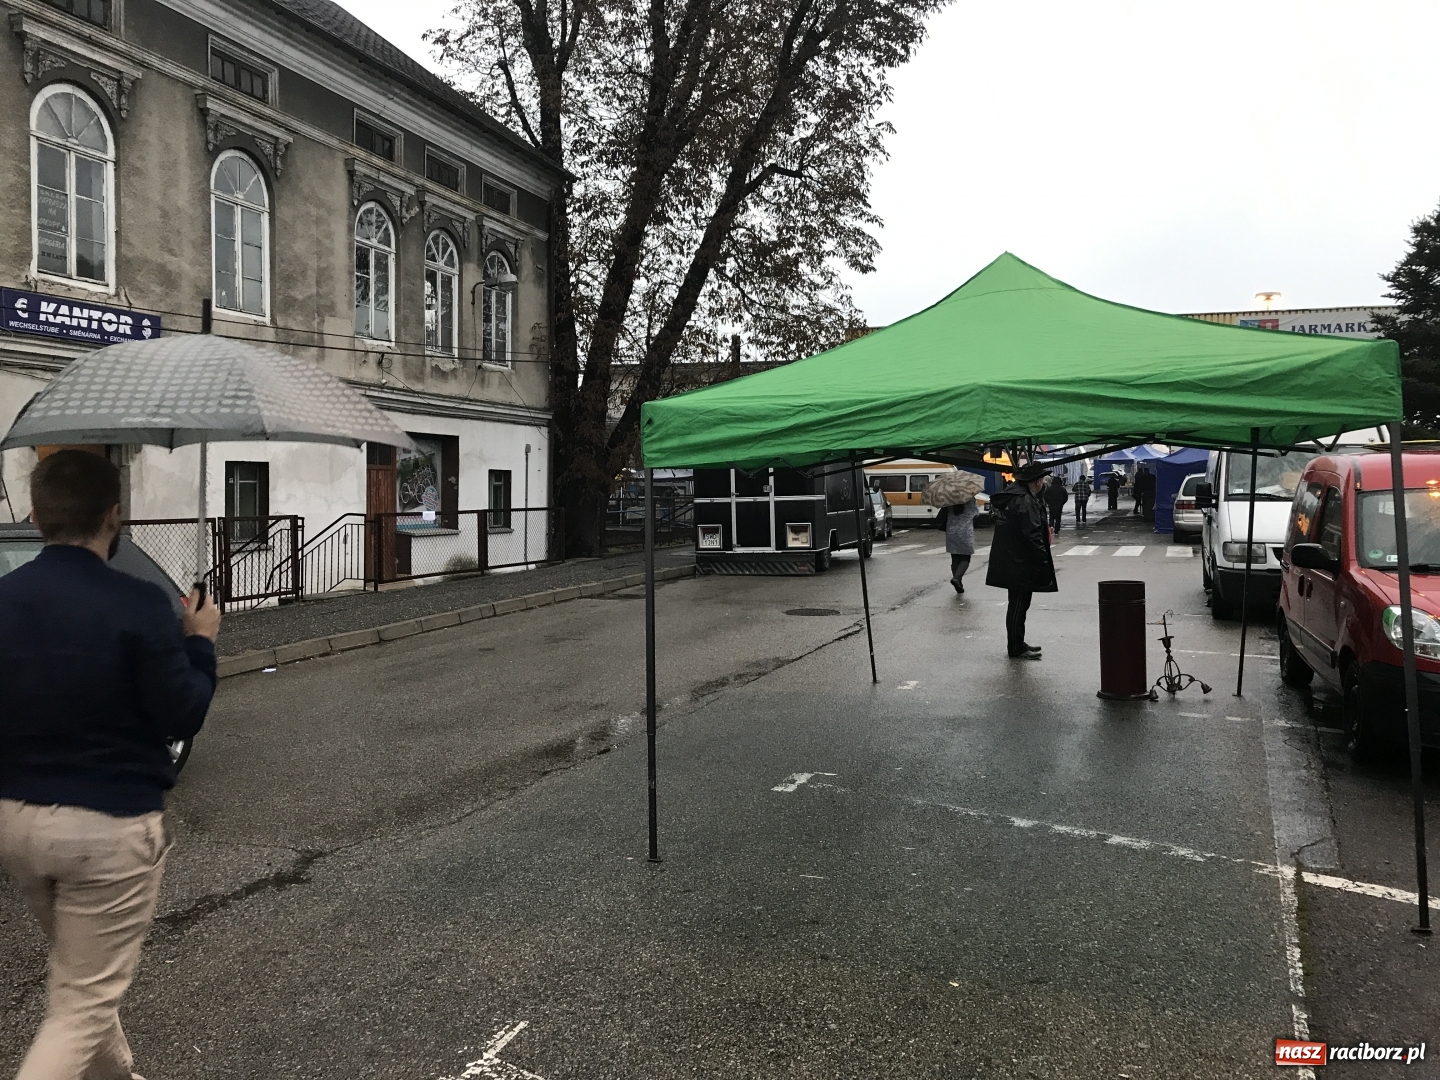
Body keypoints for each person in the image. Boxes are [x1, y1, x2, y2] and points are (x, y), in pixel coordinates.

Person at [0, 450, 221, 1080]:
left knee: (82, 984)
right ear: (114, 516)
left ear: (38, 514)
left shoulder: (3, 598)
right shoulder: (139, 604)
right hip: (106, 829)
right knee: (79, 1008)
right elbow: (183, 715)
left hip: (15, 823)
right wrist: (199, 643)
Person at [985, 466, 1058, 659]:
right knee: (1018, 605)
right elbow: (1032, 535)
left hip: (1012, 559)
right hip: (1020, 562)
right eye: (1042, 480)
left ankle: (1018, 642)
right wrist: (1042, 563)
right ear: (1036, 482)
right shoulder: (1024, 500)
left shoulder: (1012, 497)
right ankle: (1016, 647)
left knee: (1018, 605)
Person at [938, 496, 979, 594]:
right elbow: (975, 513)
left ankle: (959, 583)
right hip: (965, 532)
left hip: (951, 530)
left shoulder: (949, 499)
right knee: (965, 558)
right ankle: (957, 578)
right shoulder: (969, 499)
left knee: (955, 557)